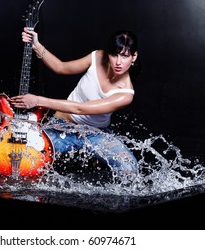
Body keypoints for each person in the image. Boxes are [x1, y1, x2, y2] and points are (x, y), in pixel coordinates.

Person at [9, 28, 139, 181]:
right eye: (114, 54)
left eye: (124, 56)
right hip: (62, 126)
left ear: (134, 57)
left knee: (129, 169)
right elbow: (61, 67)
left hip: (96, 134)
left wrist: (37, 100)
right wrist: (36, 44)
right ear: (107, 53)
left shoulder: (125, 94)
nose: (118, 62)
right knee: (25, 160)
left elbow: (80, 108)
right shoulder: (97, 56)